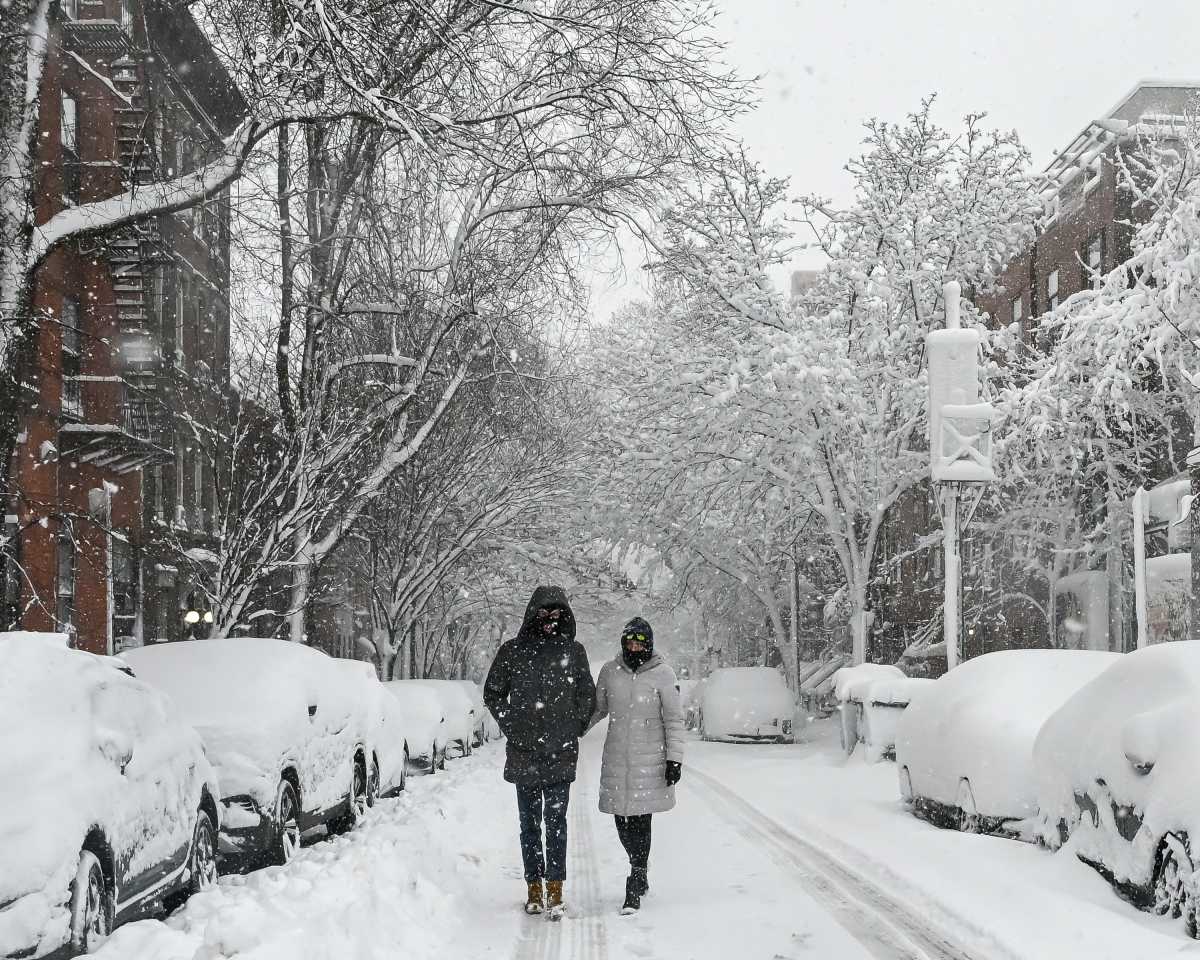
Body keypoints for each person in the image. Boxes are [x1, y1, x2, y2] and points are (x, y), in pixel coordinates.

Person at [484, 585, 596, 920]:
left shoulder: (574, 652)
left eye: (556, 614)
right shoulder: (513, 651)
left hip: (560, 753)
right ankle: (534, 888)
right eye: (544, 614)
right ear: (533, 614)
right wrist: (513, 725)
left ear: (565, 616)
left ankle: (556, 889)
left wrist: (572, 726)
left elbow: (587, 696)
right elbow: (493, 693)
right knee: (529, 824)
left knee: (556, 823)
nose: (549, 620)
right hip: (524, 754)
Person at [589, 616, 684, 915]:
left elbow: (674, 720)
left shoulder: (663, 675)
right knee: (621, 818)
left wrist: (675, 759)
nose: (634, 647)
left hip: (650, 759)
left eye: (640, 642)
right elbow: (597, 710)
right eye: (630, 641)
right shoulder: (609, 672)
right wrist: (571, 731)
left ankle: (637, 875)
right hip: (617, 757)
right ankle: (638, 863)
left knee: (641, 820)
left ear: (649, 644)